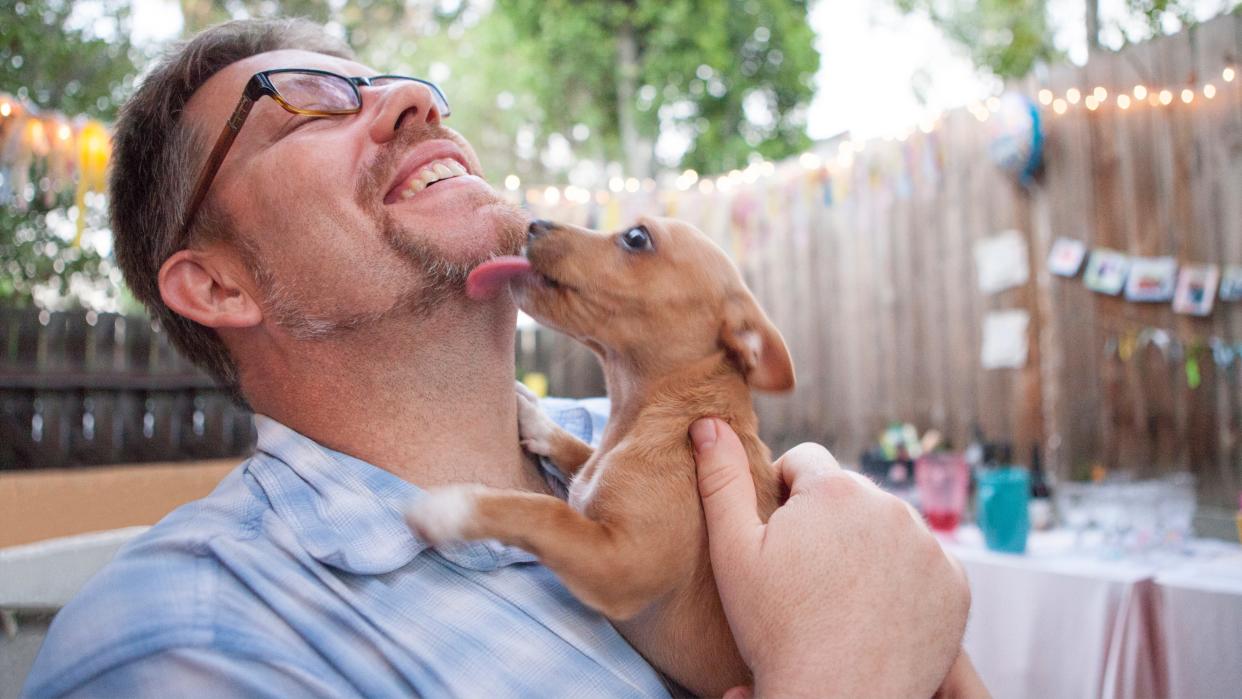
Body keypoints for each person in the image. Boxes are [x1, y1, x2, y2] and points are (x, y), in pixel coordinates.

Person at [23, 18, 974, 698]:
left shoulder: (675, 447)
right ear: (219, 285)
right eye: (306, 104)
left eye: (404, 87)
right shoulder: (179, 639)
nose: (411, 100)